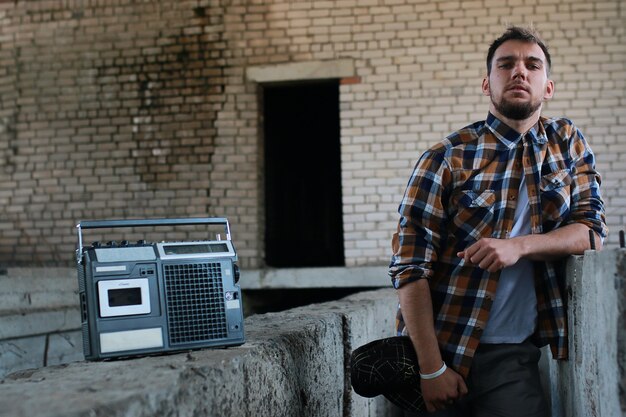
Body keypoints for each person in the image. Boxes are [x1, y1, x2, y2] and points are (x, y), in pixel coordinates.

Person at [350, 26, 607, 417]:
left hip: (513, 357)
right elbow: (409, 268)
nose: (519, 72)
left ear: (548, 87)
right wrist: (431, 368)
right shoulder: (446, 157)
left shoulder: (567, 142)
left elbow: (591, 235)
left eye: (531, 65)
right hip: (439, 350)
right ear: (487, 84)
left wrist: (518, 246)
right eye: (506, 65)